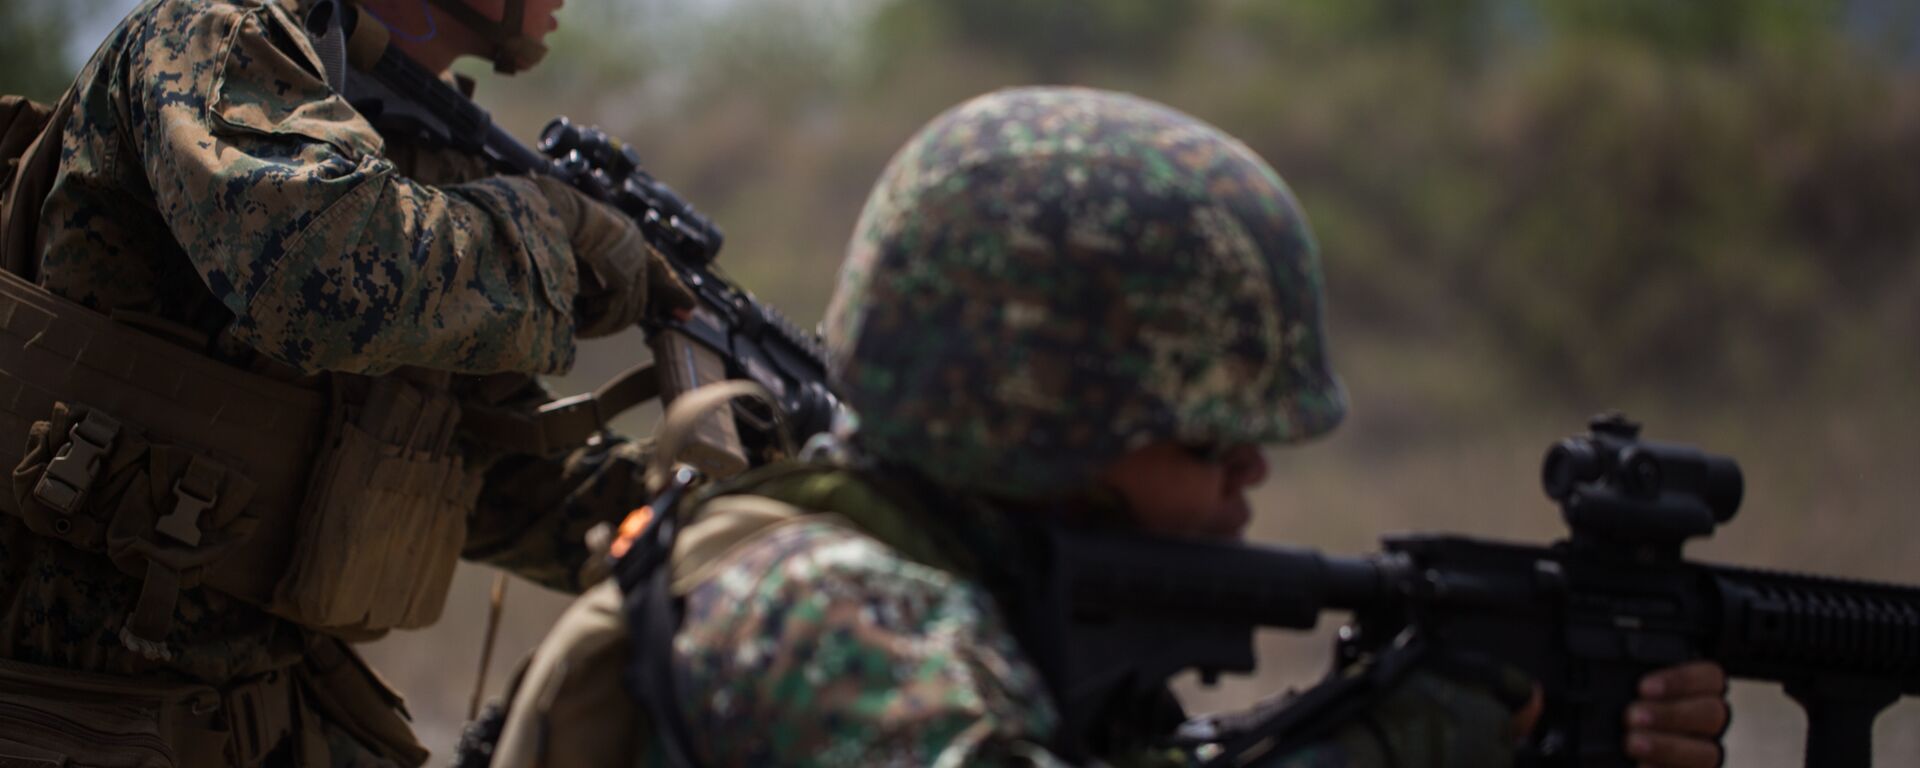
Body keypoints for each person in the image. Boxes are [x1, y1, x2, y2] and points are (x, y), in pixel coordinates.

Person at [487, 87, 1732, 767]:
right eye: (1205, 438)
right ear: (1034, 421)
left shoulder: (955, 602)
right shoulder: (829, 609)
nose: (1253, 475)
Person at [0, 0, 687, 765]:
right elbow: (321, 277)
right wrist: (552, 241)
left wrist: (720, 501)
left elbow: (484, 471)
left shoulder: (406, 146)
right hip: (73, 715)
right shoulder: (218, 35)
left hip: (247, 714)